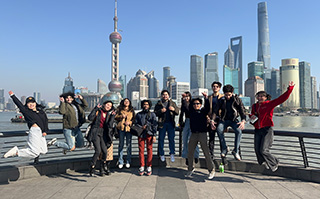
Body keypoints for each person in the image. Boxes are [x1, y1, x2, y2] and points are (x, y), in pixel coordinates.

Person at [251, 81, 295, 172]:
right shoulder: (254, 106)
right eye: (258, 96)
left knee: (264, 150)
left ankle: (274, 162)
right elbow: (252, 115)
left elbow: (282, 99)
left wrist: (289, 89)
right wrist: (251, 117)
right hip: (257, 129)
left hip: (267, 129)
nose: (260, 98)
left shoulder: (269, 104)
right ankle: (265, 162)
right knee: (257, 149)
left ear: (266, 97)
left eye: (262, 96)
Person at [4, 91, 48, 164]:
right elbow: (19, 104)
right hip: (34, 132)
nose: (31, 104)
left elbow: (45, 121)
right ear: (27, 105)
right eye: (29, 103)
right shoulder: (26, 112)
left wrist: (45, 131)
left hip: (41, 133)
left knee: (44, 151)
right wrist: (12, 95)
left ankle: (42, 146)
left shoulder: (41, 112)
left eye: (32, 102)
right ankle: (16, 152)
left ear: (35, 103)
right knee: (35, 153)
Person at [183, 94, 215, 179]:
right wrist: (185, 100)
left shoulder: (203, 111)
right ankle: (190, 169)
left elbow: (208, 107)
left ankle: (211, 170)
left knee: (206, 153)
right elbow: (186, 107)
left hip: (202, 134)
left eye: (197, 104)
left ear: (200, 105)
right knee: (190, 152)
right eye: (194, 104)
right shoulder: (191, 112)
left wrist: (206, 98)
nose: (195, 105)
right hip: (193, 134)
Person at [211, 84, 246, 161]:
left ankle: (235, 151)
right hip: (224, 120)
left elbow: (242, 111)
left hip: (234, 120)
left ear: (232, 93)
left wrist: (243, 121)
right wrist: (212, 120)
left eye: (229, 95)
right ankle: (224, 148)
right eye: (226, 95)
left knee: (239, 131)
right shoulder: (221, 100)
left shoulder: (237, 100)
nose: (227, 97)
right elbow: (215, 111)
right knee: (219, 129)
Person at [88, 101, 116, 176]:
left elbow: (109, 125)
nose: (108, 107)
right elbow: (90, 118)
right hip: (95, 132)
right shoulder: (98, 111)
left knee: (105, 151)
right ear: (104, 104)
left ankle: (102, 167)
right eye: (107, 105)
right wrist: (95, 109)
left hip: (103, 133)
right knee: (98, 151)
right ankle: (92, 167)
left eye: (110, 106)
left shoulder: (108, 114)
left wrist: (113, 117)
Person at [154, 90, 179, 162]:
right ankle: (162, 154)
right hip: (162, 124)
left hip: (171, 123)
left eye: (166, 94)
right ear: (161, 96)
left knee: (171, 139)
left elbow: (177, 112)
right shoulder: (159, 104)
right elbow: (155, 113)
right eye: (163, 95)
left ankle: (172, 153)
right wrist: (160, 111)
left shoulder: (172, 103)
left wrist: (173, 109)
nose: (165, 96)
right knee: (161, 139)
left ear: (168, 95)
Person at [135, 100, 158, 176]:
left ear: (149, 105)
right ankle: (141, 166)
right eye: (144, 104)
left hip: (150, 133)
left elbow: (155, 125)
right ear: (142, 105)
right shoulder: (138, 114)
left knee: (150, 150)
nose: (145, 106)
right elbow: (136, 124)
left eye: (147, 104)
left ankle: (149, 166)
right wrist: (141, 127)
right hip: (141, 134)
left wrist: (154, 135)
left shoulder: (152, 114)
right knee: (141, 150)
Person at [179, 92, 199, 165]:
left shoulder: (192, 104)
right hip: (187, 121)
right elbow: (182, 113)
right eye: (186, 97)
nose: (187, 98)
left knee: (192, 139)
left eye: (188, 96)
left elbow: (189, 110)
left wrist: (183, 101)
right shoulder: (184, 104)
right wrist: (180, 123)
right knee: (184, 139)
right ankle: (186, 157)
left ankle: (196, 155)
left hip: (193, 121)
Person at [115, 98, 135, 169]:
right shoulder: (119, 110)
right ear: (123, 102)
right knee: (121, 145)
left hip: (129, 129)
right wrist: (121, 116)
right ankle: (120, 161)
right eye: (125, 101)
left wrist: (129, 122)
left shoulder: (132, 110)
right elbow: (115, 117)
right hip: (121, 129)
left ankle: (128, 161)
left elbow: (134, 120)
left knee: (129, 145)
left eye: (128, 101)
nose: (126, 102)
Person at [207, 82, 224, 158]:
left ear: (219, 88)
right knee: (211, 138)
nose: (215, 88)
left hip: (220, 119)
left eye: (217, 86)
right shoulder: (209, 98)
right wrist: (208, 119)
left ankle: (223, 154)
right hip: (211, 120)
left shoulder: (223, 97)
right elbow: (206, 109)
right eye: (213, 86)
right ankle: (211, 155)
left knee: (221, 137)